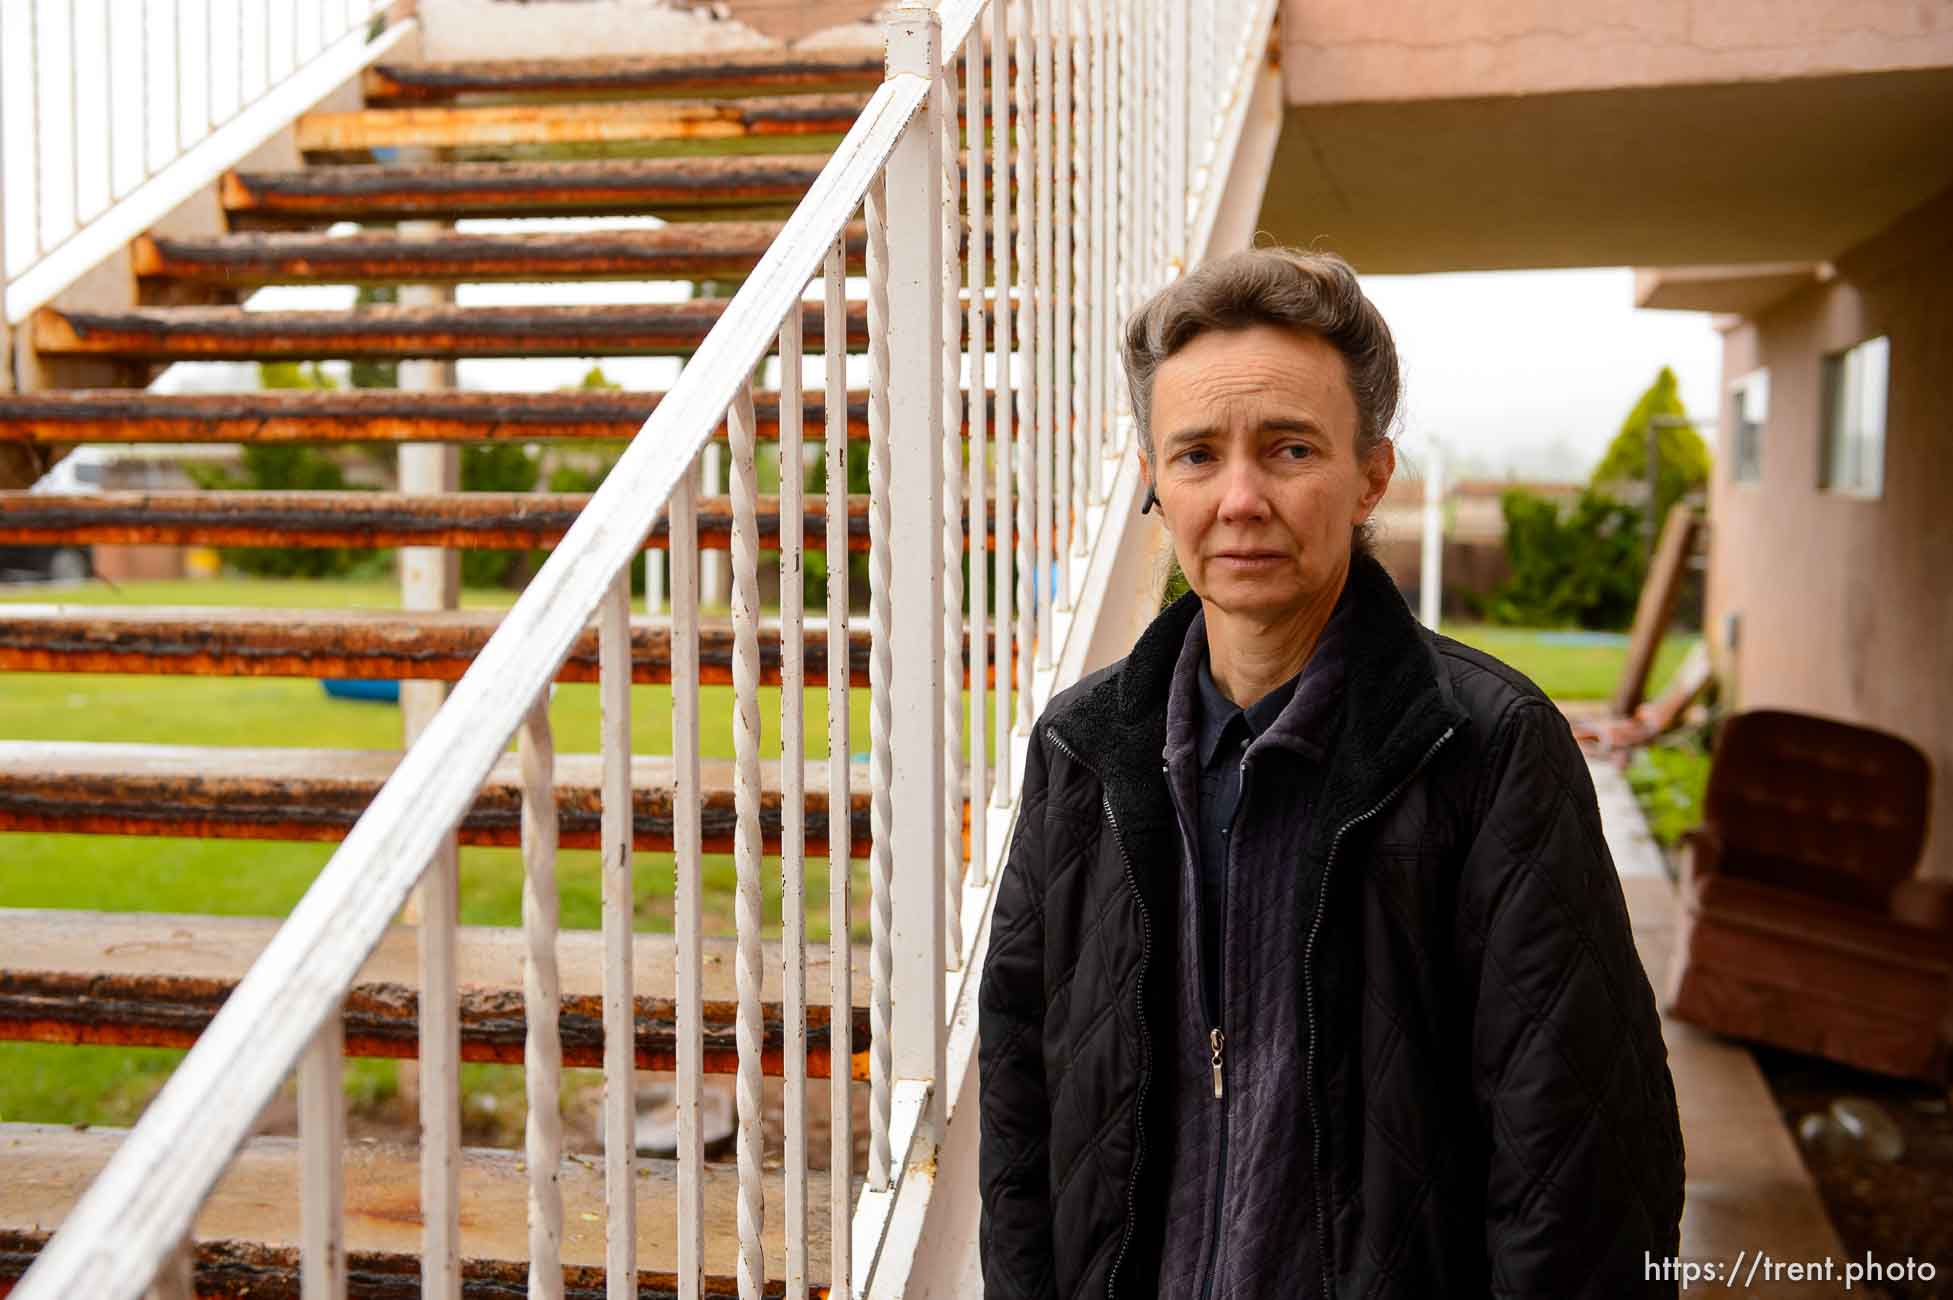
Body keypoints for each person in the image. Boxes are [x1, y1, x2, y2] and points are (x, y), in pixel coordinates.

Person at [977, 248, 1685, 1299]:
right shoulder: (1083, 747)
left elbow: (1580, 1169)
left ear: (1372, 477)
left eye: (1291, 447)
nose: (1242, 497)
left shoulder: (1487, 750)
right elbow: (1023, 1109)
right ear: (1153, 485)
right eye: (1198, 454)